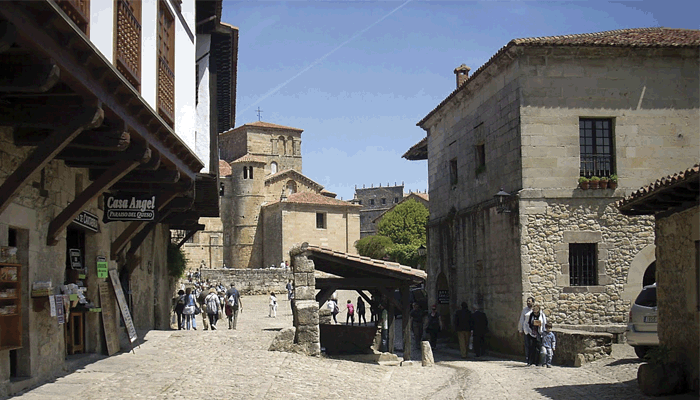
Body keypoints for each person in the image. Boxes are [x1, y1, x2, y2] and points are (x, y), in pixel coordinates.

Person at [518, 297, 536, 364]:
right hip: (526, 330)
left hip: (534, 331)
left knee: (533, 345)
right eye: (527, 301)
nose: (528, 302)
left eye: (529, 301)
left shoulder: (535, 310)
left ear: (533, 302)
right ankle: (528, 359)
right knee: (527, 345)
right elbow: (521, 320)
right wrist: (520, 330)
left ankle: (534, 360)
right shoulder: (524, 310)